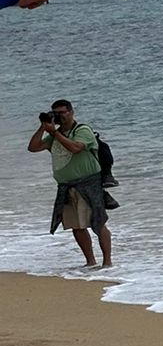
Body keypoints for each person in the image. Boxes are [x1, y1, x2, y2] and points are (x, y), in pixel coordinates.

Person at [29, 99, 112, 268]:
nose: (59, 116)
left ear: (71, 112)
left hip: (88, 183)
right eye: (55, 113)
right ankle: (90, 262)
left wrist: (54, 133)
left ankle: (107, 262)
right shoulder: (54, 135)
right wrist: (43, 127)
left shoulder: (82, 130)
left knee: (98, 222)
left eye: (62, 112)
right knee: (76, 226)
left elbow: (75, 148)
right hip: (66, 186)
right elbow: (33, 147)